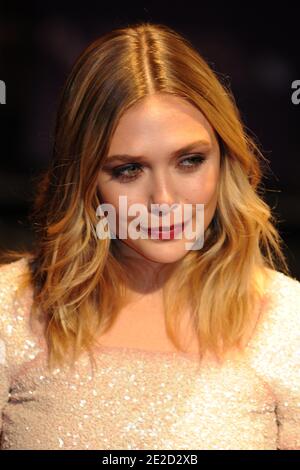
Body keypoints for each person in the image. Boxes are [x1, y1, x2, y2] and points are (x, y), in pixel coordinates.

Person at [0, 21, 300, 451]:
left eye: (190, 161)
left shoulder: (288, 324)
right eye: (128, 169)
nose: (164, 199)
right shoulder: (9, 314)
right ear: (84, 179)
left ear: (225, 160)